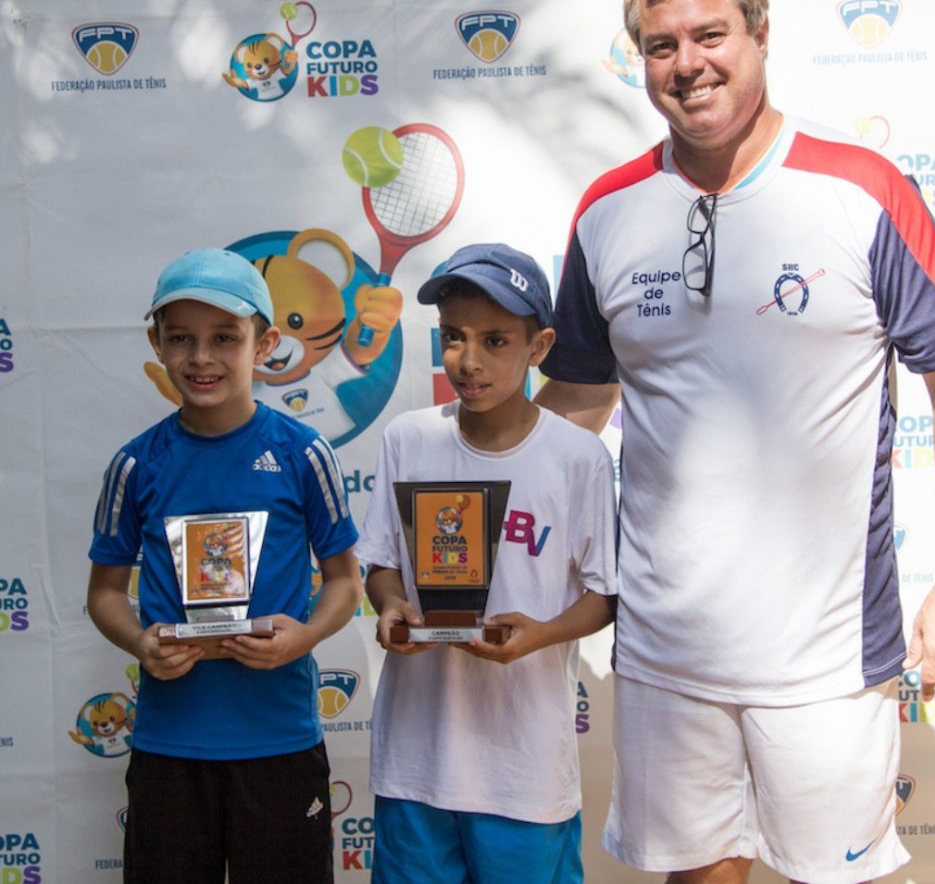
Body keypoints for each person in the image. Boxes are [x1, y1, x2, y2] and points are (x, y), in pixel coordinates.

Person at [537, 0, 935, 884]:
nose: (688, 64)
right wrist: (469, 493)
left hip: (827, 657)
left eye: (710, 35)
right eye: (661, 46)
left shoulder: (863, 191)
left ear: (760, 34)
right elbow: (575, 399)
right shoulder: (608, 210)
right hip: (665, 652)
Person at [86, 247, 362, 884]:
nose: (201, 357)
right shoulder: (136, 464)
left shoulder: (303, 453)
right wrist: (140, 642)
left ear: (264, 345)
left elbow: (346, 581)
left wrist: (305, 637)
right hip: (169, 746)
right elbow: (104, 594)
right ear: (157, 343)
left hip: (281, 741)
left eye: (224, 337)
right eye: (181, 337)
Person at [356, 243, 618, 884]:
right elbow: (381, 563)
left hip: (523, 769)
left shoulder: (577, 456)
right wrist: (390, 606)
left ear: (540, 346)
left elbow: (604, 596)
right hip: (415, 762)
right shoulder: (409, 438)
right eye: (454, 337)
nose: (468, 361)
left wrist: (542, 633)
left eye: (495, 341)